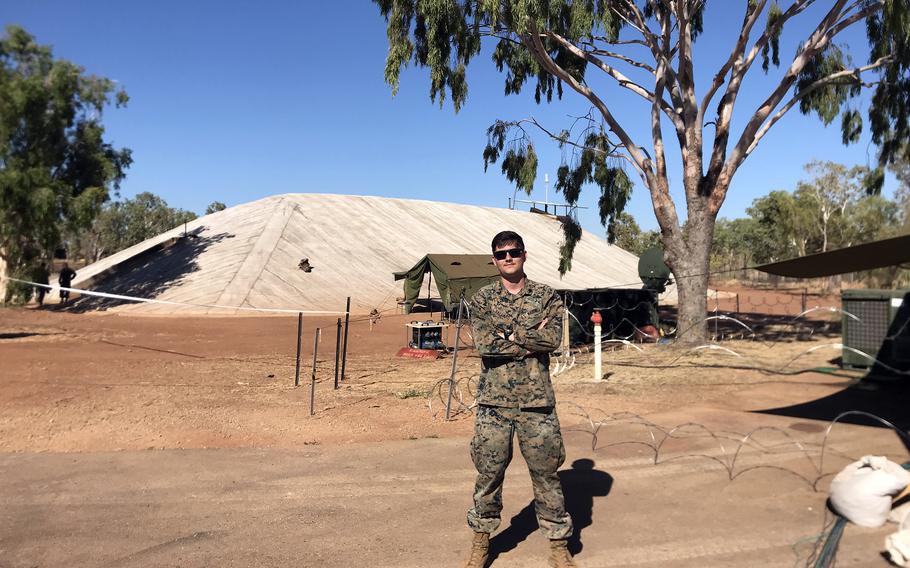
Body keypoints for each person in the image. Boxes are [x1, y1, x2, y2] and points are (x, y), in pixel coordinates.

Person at [463, 231, 575, 568]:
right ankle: (481, 544)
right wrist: (529, 337)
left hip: (536, 403)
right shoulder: (482, 299)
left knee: (546, 474)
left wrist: (510, 334)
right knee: (488, 474)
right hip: (494, 404)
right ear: (494, 259)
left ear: (524, 254)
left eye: (513, 252)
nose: (508, 258)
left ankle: (558, 547)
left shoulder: (546, 296)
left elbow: (553, 339)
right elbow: (485, 345)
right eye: (501, 254)